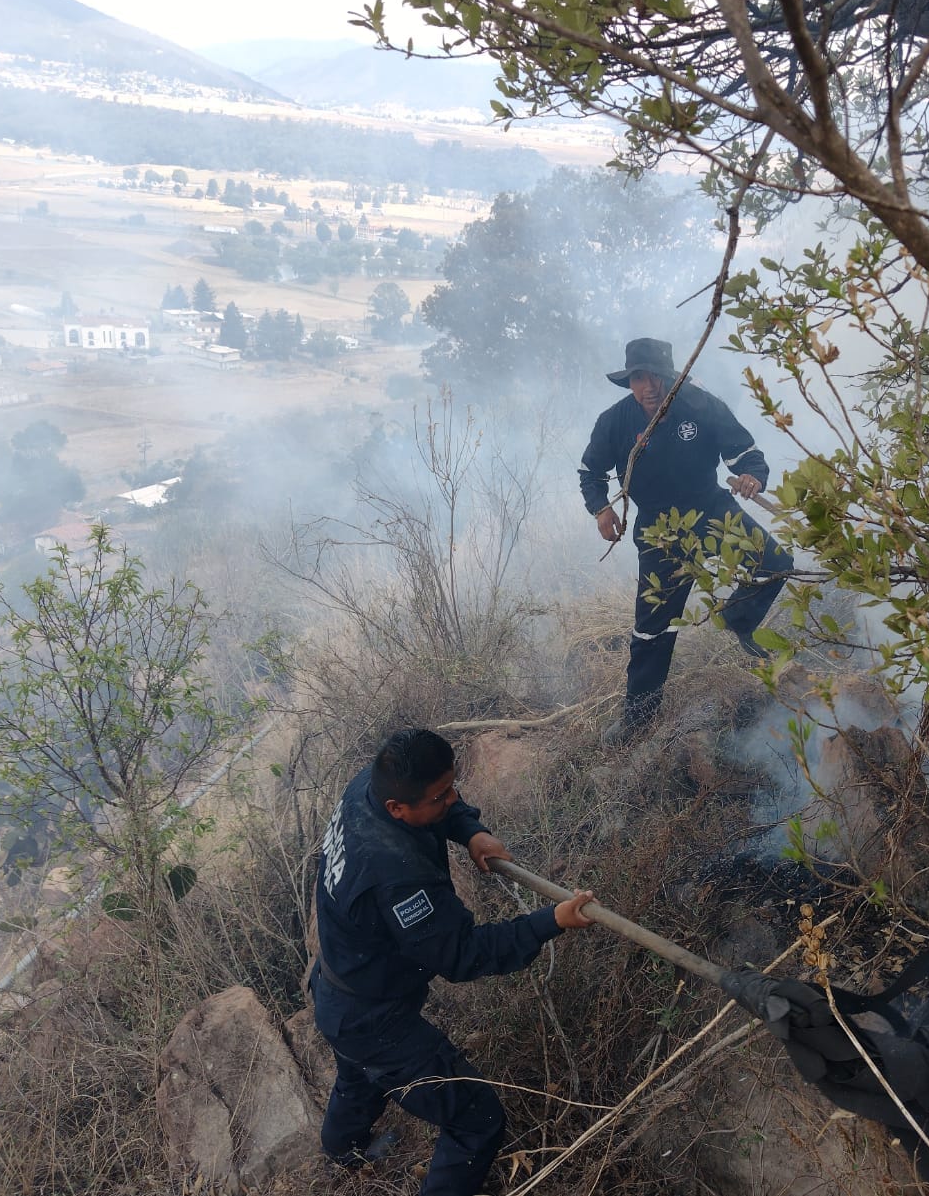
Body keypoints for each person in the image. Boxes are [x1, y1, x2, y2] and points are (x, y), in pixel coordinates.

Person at [311, 727, 596, 1191]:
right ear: (397, 809)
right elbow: (464, 956)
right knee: (476, 1120)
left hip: (337, 987)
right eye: (440, 797)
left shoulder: (371, 783)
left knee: (357, 1072)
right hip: (373, 1021)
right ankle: (354, 1155)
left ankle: (342, 1152)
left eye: (451, 789)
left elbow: (442, 806)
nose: (451, 800)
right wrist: (553, 921)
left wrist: (471, 831)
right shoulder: (397, 879)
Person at [579, 337, 793, 743]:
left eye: (656, 377)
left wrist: (752, 477)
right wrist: (601, 509)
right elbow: (591, 473)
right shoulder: (615, 422)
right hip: (660, 531)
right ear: (629, 382)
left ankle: (738, 619)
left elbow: (746, 453)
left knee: (776, 562)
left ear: (671, 378)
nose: (649, 387)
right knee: (651, 630)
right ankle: (638, 719)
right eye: (638, 378)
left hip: (711, 511)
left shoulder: (701, 405)